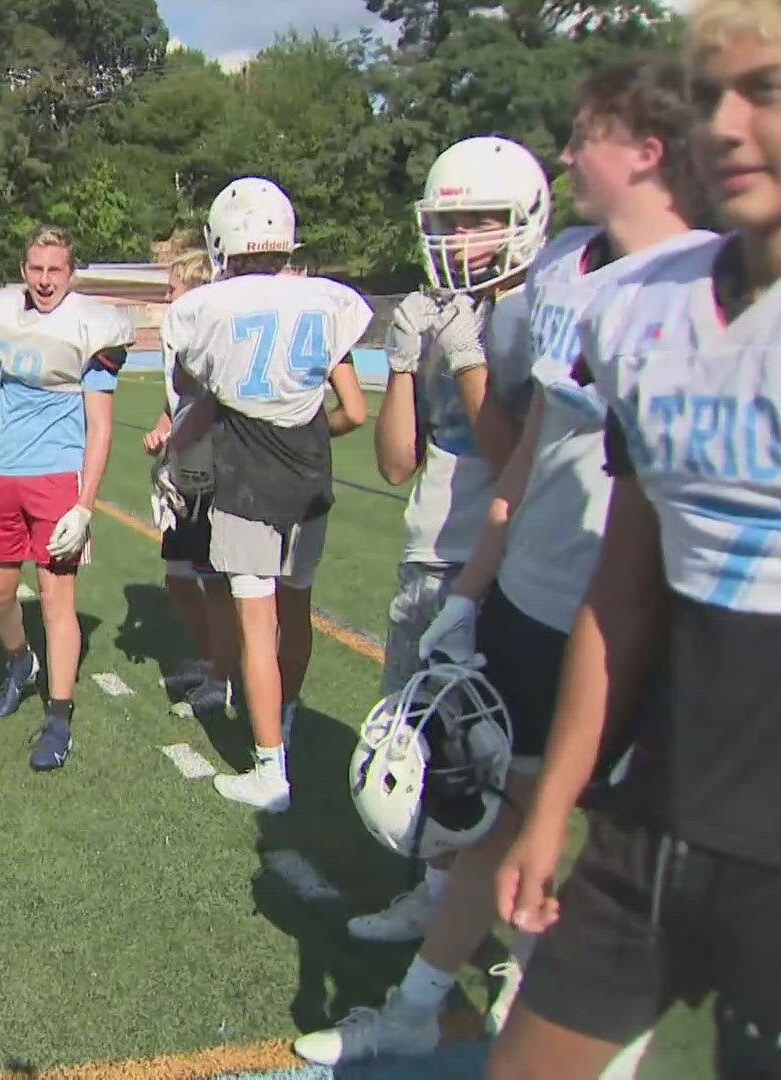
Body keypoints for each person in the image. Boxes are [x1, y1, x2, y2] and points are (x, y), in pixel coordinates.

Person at [298, 64, 717, 1067]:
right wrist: (476, 589)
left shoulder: (723, 278)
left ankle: (571, 1012)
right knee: (496, 812)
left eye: (586, 138)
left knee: (633, 848)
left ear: (650, 153)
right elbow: (526, 453)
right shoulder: (569, 277)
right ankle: (422, 1004)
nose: (567, 154)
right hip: (538, 594)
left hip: (655, 613)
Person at [490, 4, 781, 1076]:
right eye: (710, 98)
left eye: (766, 93)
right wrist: (555, 803)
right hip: (659, 808)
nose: (727, 126)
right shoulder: (634, 311)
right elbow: (626, 587)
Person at [342, 135, 554, 949]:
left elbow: (512, 460)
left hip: (503, 563)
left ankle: (515, 935)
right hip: (428, 551)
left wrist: (467, 355)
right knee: (421, 740)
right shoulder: (438, 314)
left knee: (496, 759)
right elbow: (397, 461)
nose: (460, 239)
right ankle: (436, 902)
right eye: (451, 221)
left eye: (479, 221)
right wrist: (404, 362)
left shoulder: (534, 316)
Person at [161, 178, 370, 812]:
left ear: (224, 240)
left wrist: (177, 455)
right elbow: (351, 411)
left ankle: (269, 769)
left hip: (247, 479)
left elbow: (190, 386)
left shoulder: (210, 306)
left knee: (258, 626)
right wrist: (306, 432)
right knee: (296, 610)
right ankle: (288, 717)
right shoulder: (326, 298)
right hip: (309, 474)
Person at [0, 225, 133, 772]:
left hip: (56, 480)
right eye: (36, 269)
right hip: (2, 475)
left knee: (55, 601)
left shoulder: (92, 328)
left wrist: (85, 504)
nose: (45, 280)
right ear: (23, 269)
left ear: (72, 273)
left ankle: (59, 717)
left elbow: (101, 426)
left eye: (56, 270)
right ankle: (20, 660)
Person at [143, 248, 237, 715]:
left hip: (212, 470)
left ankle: (225, 676)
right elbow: (177, 400)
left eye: (174, 285)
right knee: (180, 577)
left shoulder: (211, 332)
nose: (167, 294)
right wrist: (165, 427)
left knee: (215, 581)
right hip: (184, 465)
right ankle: (212, 661)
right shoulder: (178, 332)